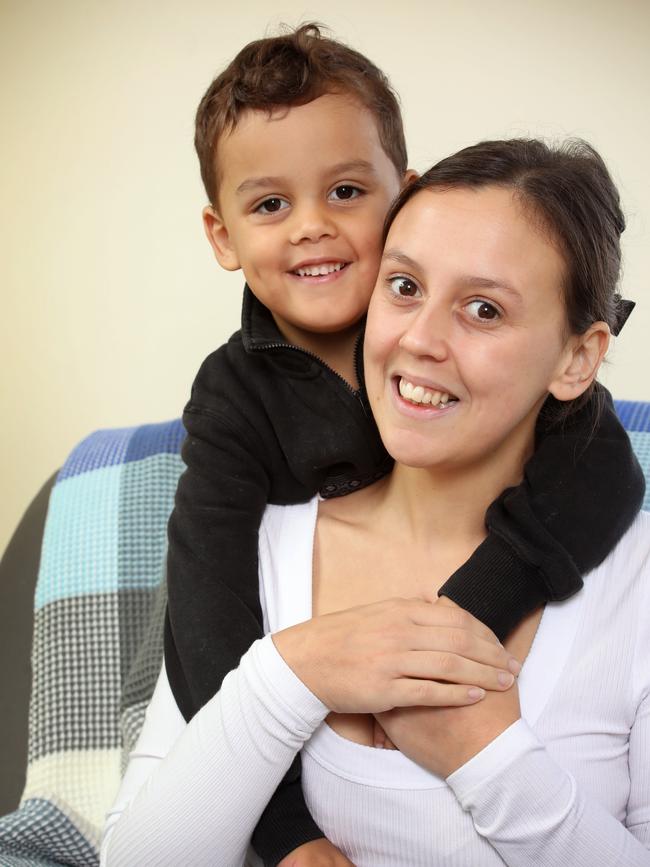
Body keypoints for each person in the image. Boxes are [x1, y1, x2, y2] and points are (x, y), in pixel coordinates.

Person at [162, 24, 644, 866]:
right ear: (222, 236)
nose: (419, 339)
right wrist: (292, 694)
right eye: (408, 287)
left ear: (579, 357)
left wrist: (466, 676)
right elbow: (203, 608)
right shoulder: (246, 448)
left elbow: (606, 469)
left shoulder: (613, 539)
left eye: (484, 308)